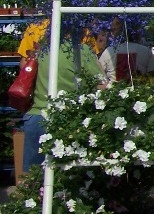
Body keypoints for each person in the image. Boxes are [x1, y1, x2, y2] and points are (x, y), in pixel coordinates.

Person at [23, 35, 106, 171]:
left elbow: (25, 70)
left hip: (37, 116)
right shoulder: (81, 50)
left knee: (31, 180)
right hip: (69, 121)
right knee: (67, 179)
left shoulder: (43, 49)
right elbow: (101, 83)